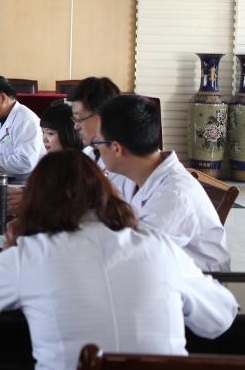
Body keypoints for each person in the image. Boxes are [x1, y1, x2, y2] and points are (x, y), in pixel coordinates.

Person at [0, 149, 238, 370]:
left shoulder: (34, 254)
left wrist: (12, 260)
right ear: (106, 193)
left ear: (36, 202)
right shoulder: (159, 247)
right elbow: (221, 317)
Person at [96, 95, 231, 272]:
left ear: (116, 148)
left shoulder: (174, 195)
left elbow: (133, 255)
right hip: (159, 273)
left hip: (196, 283)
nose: (96, 149)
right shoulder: (136, 175)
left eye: (98, 142)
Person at [65, 76, 134, 202]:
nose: (76, 126)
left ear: (103, 116)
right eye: (74, 119)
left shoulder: (130, 163)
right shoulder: (89, 154)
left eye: (79, 118)